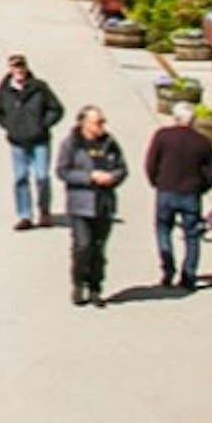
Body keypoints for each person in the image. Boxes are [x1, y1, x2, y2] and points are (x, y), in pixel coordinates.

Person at [56, 105, 127, 308]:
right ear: (84, 123)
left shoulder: (110, 143)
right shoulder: (71, 144)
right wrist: (89, 177)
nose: (102, 126)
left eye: (103, 121)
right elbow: (63, 171)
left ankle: (96, 287)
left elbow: (122, 168)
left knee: (98, 249)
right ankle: (78, 283)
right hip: (81, 205)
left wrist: (113, 178)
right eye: (98, 122)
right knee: (83, 246)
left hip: (104, 204)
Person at [143, 104, 212, 290]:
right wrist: (202, 187)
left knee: (163, 229)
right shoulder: (202, 141)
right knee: (192, 235)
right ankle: (189, 274)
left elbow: (151, 163)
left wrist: (156, 182)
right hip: (191, 193)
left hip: (166, 190)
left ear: (174, 118)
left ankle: (168, 268)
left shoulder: (162, 136)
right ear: (192, 120)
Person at [0, 56, 65, 228]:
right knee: (20, 177)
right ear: (10, 69)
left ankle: (44, 212)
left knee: (42, 177)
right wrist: (9, 125)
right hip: (17, 142)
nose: (19, 70)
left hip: (40, 141)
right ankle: (24, 215)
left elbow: (57, 109)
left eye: (21, 66)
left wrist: (43, 125)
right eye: (15, 67)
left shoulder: (40, 88)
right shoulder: (4, 90)